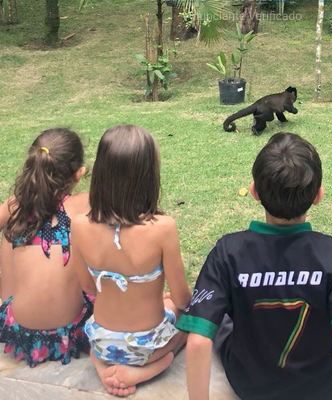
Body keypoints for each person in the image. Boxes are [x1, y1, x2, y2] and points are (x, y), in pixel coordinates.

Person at [178, 132, 332, 400]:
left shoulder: (228, 251)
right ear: (318, 195)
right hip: (321, 389)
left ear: (254, 191)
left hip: (249, 386)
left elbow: (198, 341)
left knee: (215, 321)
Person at [72, 124, 191, 397]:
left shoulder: (79, 225)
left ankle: (103, 368)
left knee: (102, 349)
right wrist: (174, 303)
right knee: (185, 322)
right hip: (147, 348)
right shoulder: (163, 227)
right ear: (149, 176)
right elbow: (182, 297)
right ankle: (149, 368)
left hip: (101, 341)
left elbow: (88, 286)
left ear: (100, 174)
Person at [0, 128, 92, 366]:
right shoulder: (83, 204)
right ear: (79, 173)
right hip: (70, 331)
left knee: (11, 234)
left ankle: (13, 298)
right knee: (84, 236)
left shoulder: (16, 205)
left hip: (21, 332)